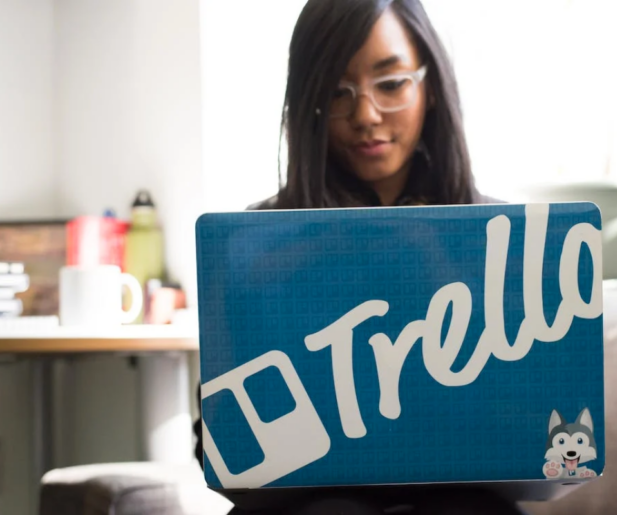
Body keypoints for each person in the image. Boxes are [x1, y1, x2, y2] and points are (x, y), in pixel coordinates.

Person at [195, 0, 524, 513]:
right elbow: (220, 451)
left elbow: (526, 418)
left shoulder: (503, 237)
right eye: (335, 92)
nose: (365, 115)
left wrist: (439, 270)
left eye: (391, 85)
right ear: (308, 102)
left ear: (430, 85)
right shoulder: (254, 239)